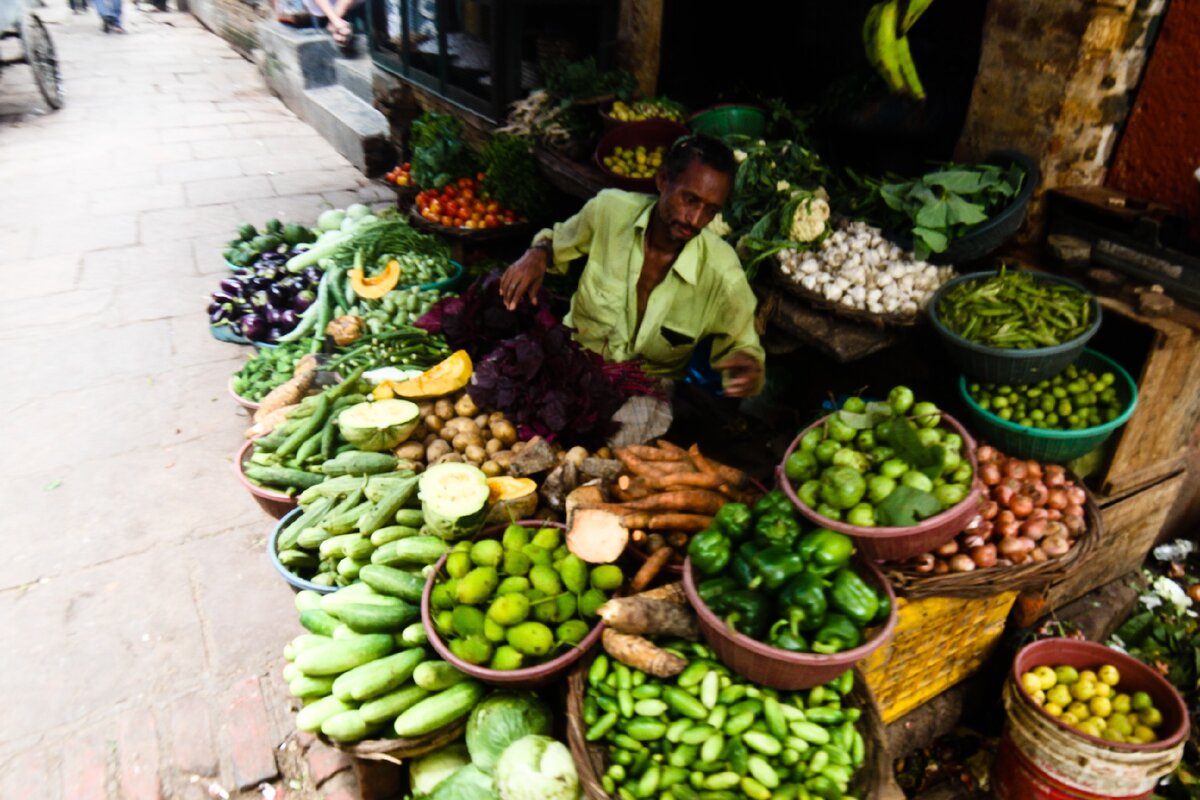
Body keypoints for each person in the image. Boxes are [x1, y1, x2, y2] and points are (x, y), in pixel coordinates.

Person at [499, 134, 765, 398]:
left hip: (645, 393)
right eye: (690, 200)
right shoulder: (609, 211)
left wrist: (747, 368)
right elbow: (555, 243)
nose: (695, 220)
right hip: (573, 363)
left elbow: (743, 345)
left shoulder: (722, 270)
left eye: (710, 210)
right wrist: (538, 254)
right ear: (663, 181)